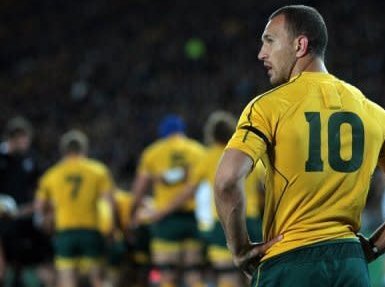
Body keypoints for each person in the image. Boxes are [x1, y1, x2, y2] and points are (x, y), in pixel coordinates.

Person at [214, 5, 385, 287]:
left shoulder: (267, 107)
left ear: (300, 45)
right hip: (350, 267)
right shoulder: (372, 111)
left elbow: (226, 181)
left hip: (290, 262)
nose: (261, 53)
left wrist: (240, 250)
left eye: (269, 41)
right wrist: (372, 248)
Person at [145, 111, 265, 287]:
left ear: (211, 135)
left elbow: (188, 192)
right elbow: (266, 189)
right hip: (253, 223)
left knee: (227, 276)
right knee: (256, 277)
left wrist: (160, 212)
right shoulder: (252, 154)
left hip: (224, 224)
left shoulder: (208, 158)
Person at [34, 129, 117, 287]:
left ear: (63, 151)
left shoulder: (52, 174)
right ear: (84, 149)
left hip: (65, 232)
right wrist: (111, 229)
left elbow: (40, 206)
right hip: (91, 231)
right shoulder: (98, 171)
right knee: (97, 279)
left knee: (67, 281)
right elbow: (109, 202)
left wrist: (47, 221)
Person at [131, 114, 206, 287]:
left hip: (164, 220)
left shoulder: (152, 152)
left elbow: (139, 189)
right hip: (192, 218)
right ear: (182, 131)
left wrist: (133, 212)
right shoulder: (198, 150)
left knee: (166, 275)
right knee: (193, 273)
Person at [0, 117, 54, 287]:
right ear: (12, 138)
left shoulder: (29, 159)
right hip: (3, 218)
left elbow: (40, 186)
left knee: (25, 259)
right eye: (23, 139)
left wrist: (36, 207)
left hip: (23, 216)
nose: (26, 143)